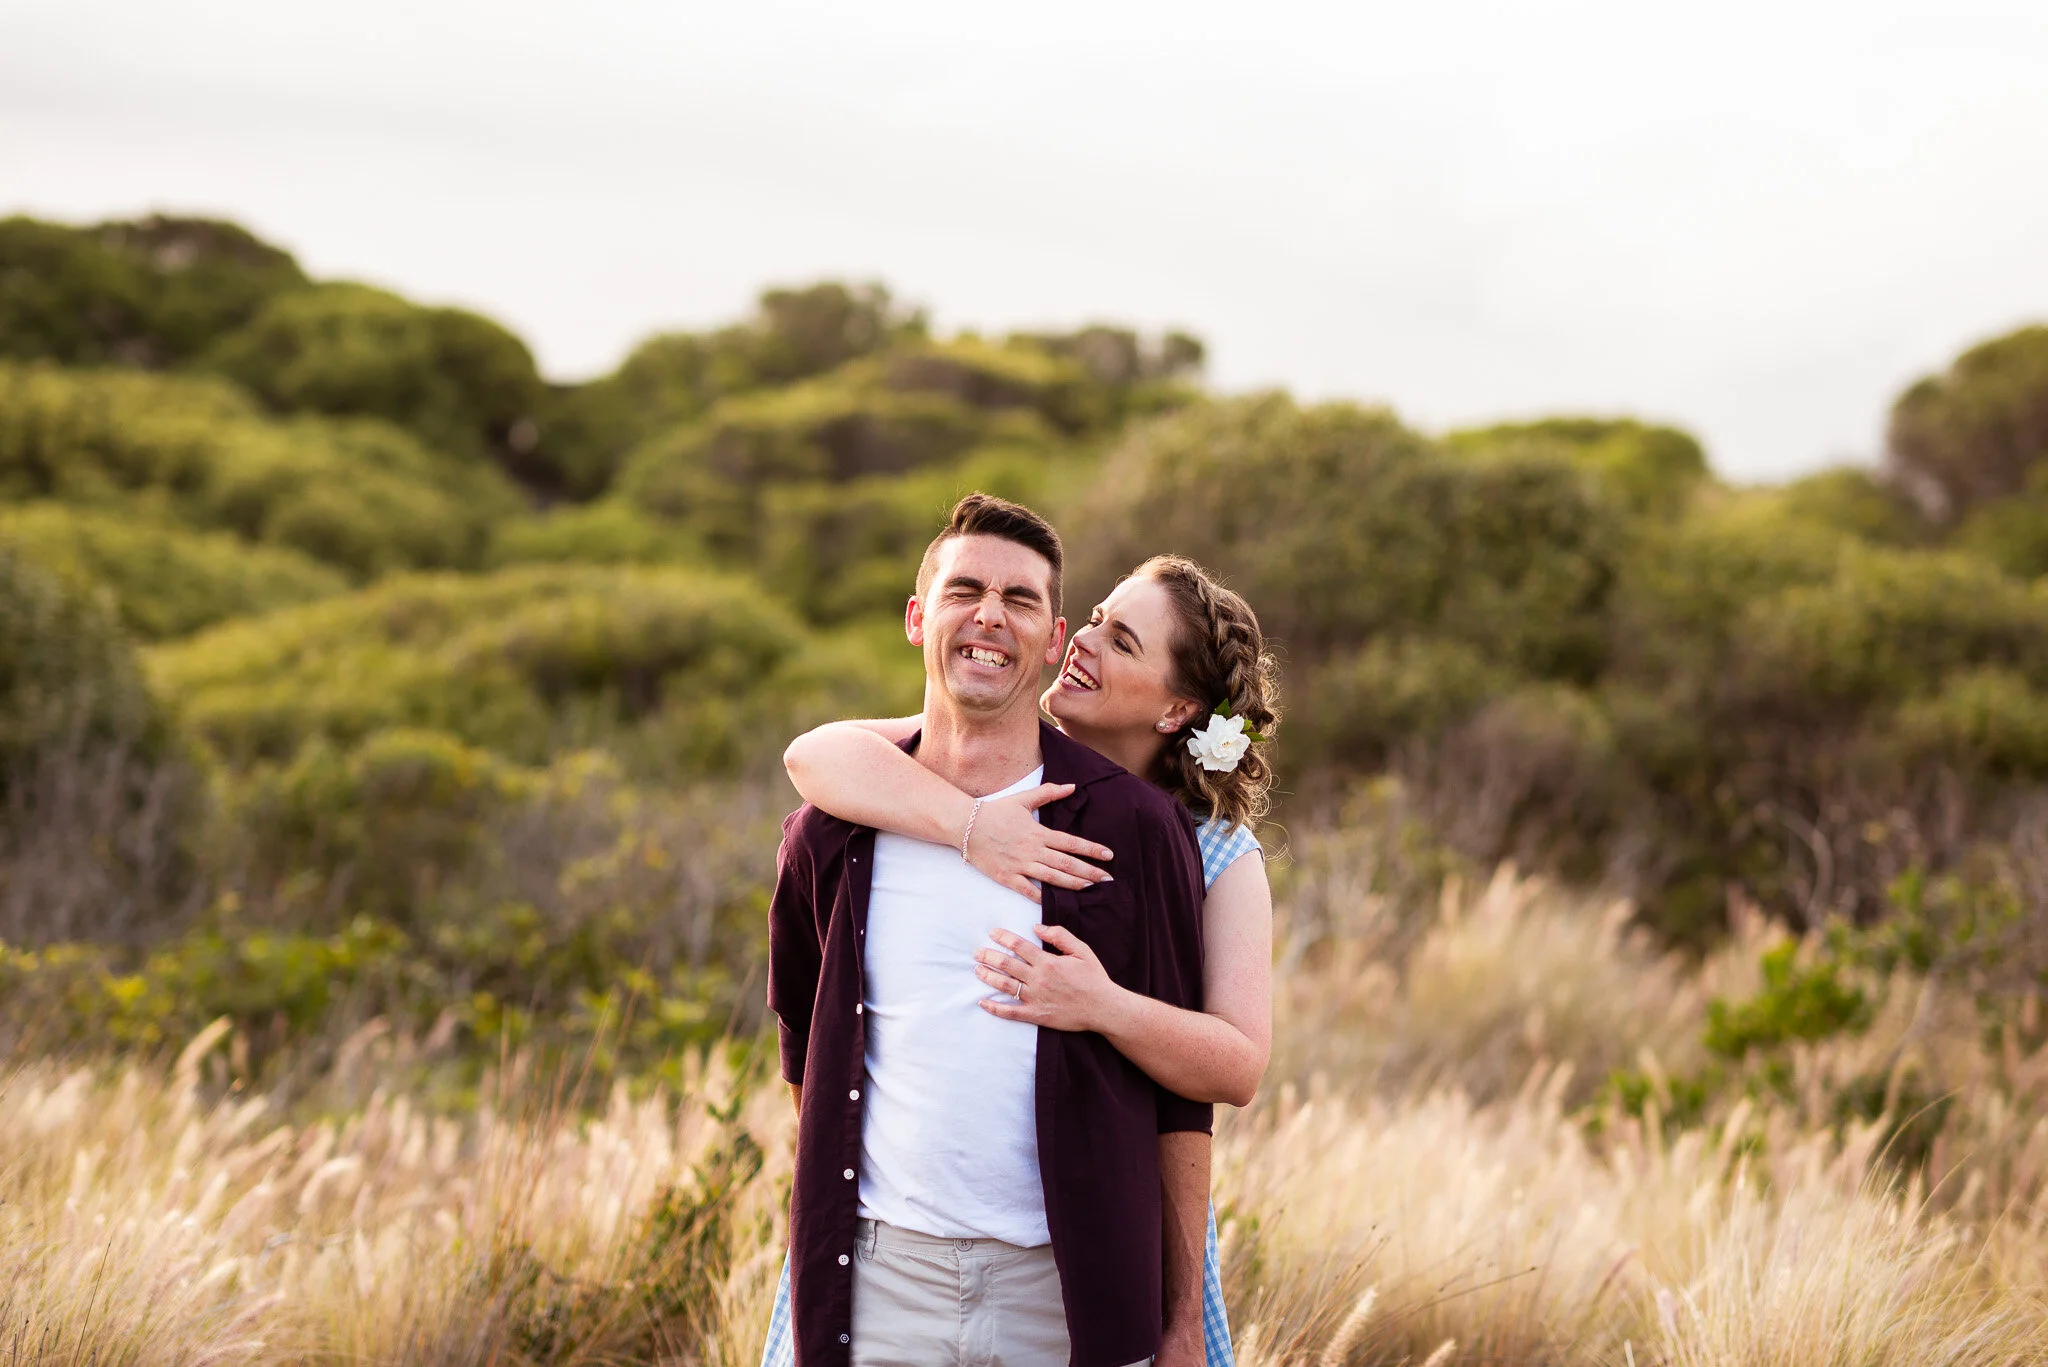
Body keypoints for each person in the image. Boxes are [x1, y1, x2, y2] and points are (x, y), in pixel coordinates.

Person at [763, 521, 1279, 1367]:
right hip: (891, 1269)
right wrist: (974, 829)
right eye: (1095, 620)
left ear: (1177, 708)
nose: (1082, 644)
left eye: (1119, 640)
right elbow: (818, 756)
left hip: (1098, 1234)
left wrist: (1100, 1004)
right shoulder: (902, 784)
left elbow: (1224, 1074)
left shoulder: (1187, 846)